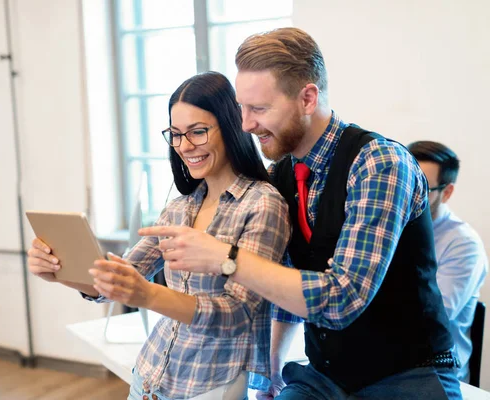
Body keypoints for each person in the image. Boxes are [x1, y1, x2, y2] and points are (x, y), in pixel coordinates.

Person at [140, 28, 463, 399]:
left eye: (259, 109)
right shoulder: (282, 176)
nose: (245, 125)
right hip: (325, 376)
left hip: (408, 375)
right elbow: (285, 280)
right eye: (242, 109)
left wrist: (226, 259)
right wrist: (273, 367)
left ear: (307, 97)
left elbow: (343, 299)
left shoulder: (380, 164)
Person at [27, 71, 290, 400]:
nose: (185, 146)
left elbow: (237, 313)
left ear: (232, 126)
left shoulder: (263, 205)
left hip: (209, 385)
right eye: (176, 134)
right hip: (149, 377)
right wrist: (60, 272)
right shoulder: (180, 208)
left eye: (198, 132)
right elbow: (123, 277)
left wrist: (148, 295)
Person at [407, 140, 488, 383]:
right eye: (405, 182)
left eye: (422, 187)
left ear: (447, 192)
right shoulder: (392, 227)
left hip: (433, 373)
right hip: (386, 363)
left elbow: (430, 319)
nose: (409, 194)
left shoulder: (464, 245)